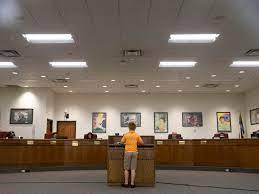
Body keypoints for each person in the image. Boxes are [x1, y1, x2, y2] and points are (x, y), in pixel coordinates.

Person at [121, 122, 143, 188]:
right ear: (135, 128)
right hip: (135, 152)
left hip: (127, 152)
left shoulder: (126, 135)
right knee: (133, 169)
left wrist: (126, 143)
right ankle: (132, 184)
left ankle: (126, 183)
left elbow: (121, 142)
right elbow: (142, 143)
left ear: (128, 127)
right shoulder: (137, 135)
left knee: (126, 169)